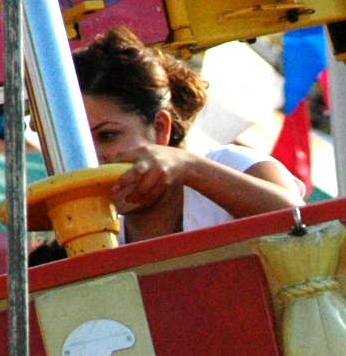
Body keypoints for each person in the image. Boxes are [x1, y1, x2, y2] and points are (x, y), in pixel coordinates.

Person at [72, 26, 303, 245]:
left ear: (160, 128)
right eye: (78, 143)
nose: (93, 157)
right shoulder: (91, 234)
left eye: (108, 135)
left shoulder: (232, 165)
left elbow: (307, 224)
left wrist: (188, 168)